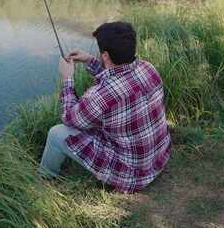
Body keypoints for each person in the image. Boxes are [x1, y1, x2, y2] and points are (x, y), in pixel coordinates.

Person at [39, 22, 171, 193]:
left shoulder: (100, 95)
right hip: (157, 159)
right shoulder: (148, 68)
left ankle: (44, 178)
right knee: (95, 124)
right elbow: (119, 77)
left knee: (56, 133)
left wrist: (67, 79)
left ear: (106, 55)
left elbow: (69, 118)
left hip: (131, 174)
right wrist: (91, 61)